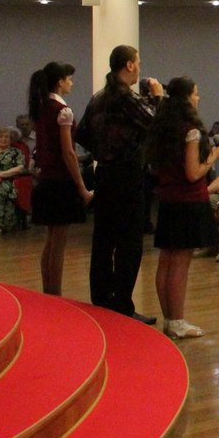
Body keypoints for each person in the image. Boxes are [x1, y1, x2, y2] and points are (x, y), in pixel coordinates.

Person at [77, 44, 164, 323]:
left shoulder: (98, 98)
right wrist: (158, 97)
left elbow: (82, 134)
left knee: (104, 239)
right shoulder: (126, 97)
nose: (139, 67)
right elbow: (155, 123)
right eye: (137, 62)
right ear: (129, 65)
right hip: (127, 174)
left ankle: (101, 298)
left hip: (104, 174)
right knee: (129, 242)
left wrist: (103, 150)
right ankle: (122, 304)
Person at [144, 77, 219, 338]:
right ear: (187, 98)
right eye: (196, 93)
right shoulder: (190, 131)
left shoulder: (162, 128)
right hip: (188, 201)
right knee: (180, 264)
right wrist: (214, 156)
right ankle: (177, 320)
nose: (198, 98)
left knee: (166, 261)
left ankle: (169, 319)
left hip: (168, 199)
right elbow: (193, 173)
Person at [27, 61, 93, 295]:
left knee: (51, 240)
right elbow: (68, 152)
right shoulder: (63, 111)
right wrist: (82, 187)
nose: (71, 83)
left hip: (47, 179)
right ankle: (55, 292)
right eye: (69, 79)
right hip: (61, 181)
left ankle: (49, 290)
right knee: (59, 244)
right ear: (60, 81)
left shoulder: (41, 107)